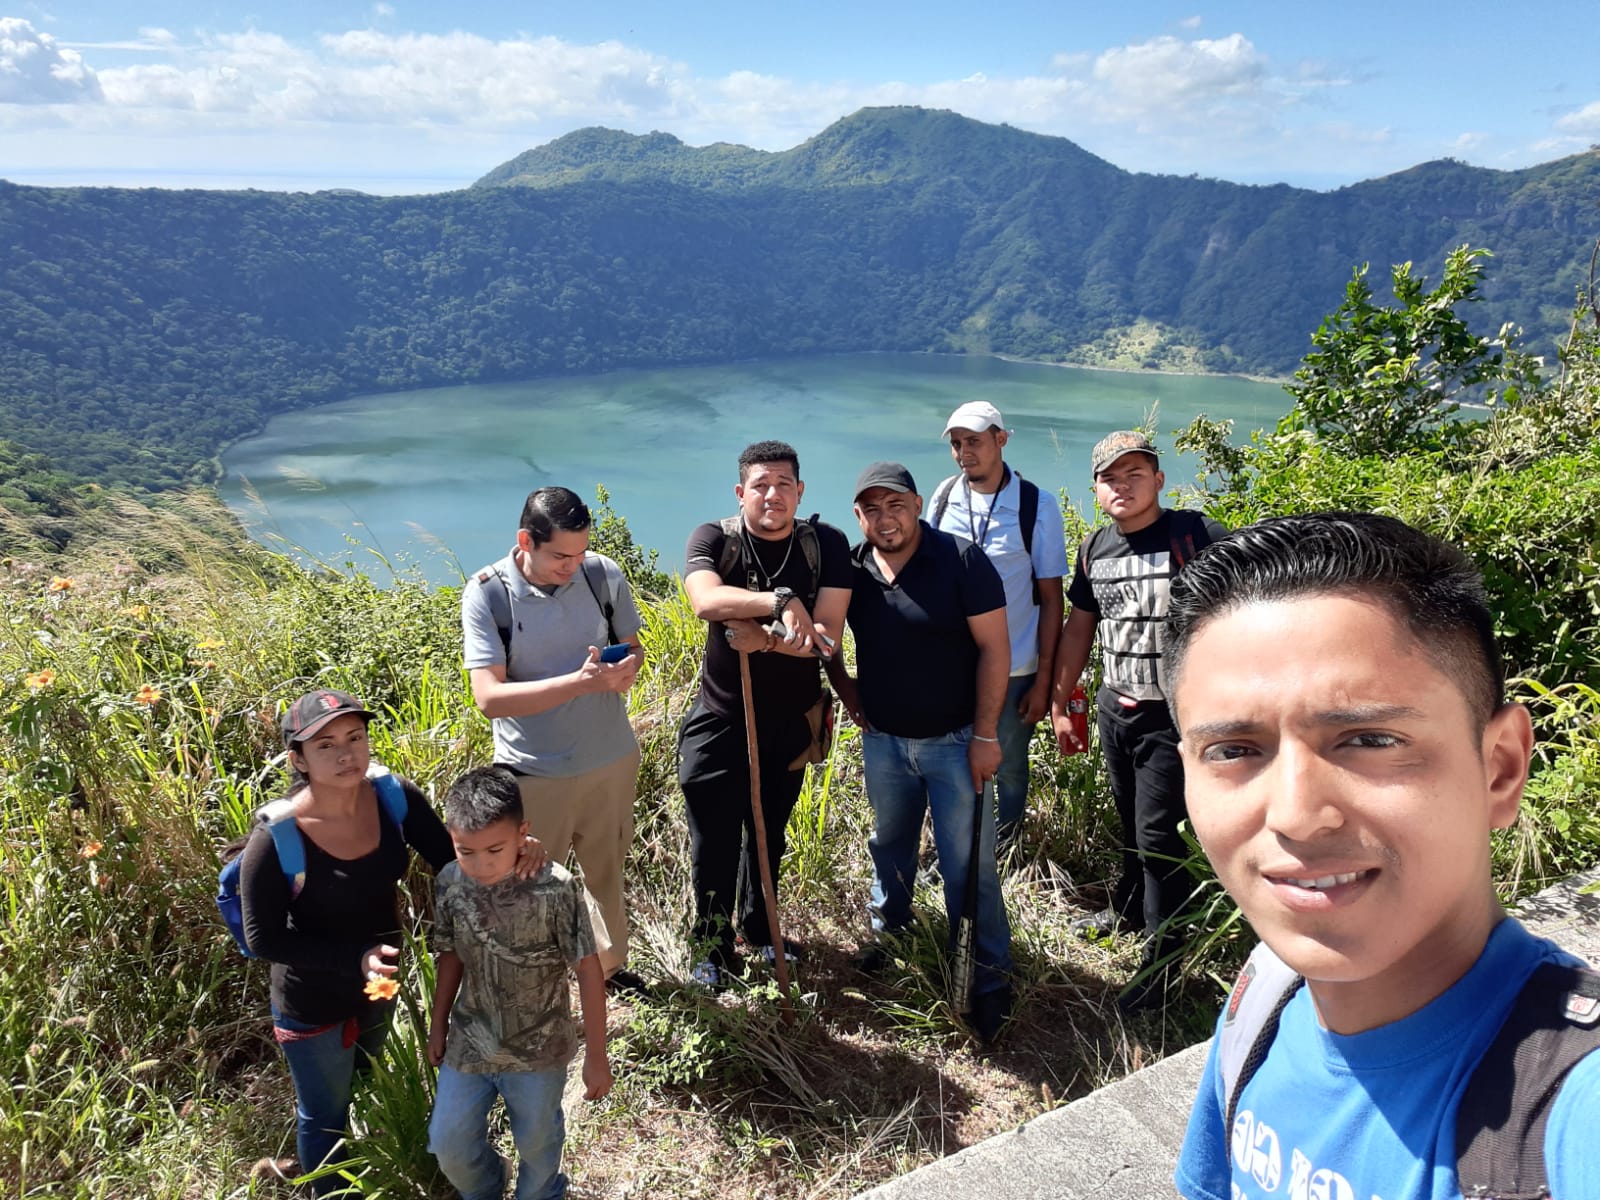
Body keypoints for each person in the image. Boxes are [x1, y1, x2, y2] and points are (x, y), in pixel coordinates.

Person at [1168, 511, 1600, 1200]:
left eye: (1369, 740)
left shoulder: (1568, 1111)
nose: (1296, 817)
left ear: (1501, 770)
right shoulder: (1264, 998)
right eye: (1234, 751)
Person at [240, 689, 542, 1192]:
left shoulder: (391, 796)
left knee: (361, 1083)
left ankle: (368, 1158)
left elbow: (452, 857)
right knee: (323, 1114)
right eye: (326, 745)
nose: (346, 754)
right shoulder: (277, 838)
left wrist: (511, 852)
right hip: (311, 1003)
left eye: (355, 737)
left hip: (379, 984)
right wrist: (351, 958)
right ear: (298, 758)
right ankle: (330, 1188)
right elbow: (261, 938)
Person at [830, 462, 1014, 1042]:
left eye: (896, 505)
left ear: (916, 504)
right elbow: (825, 637)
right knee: (890, 843)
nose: (886, 519)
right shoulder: (853, 570)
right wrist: (848, 693)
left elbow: (996, 651)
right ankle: (892, 934)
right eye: (872, 509)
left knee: (969, 866)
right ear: (858, 517)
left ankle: (987, 979)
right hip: (883, 741)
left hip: (957, 742)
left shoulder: (960, 561)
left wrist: (986, 735)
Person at [1049, 430, 1226, 1010]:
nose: (1122, 486)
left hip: (1175, 717)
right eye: (1110, 478)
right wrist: (1063, 700)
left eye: (1135, 474)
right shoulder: (1096, 548)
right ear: (1096, 489)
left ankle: (1164, 962)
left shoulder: (1196, 536)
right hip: (1115, 705)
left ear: (1158, 480)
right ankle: (1126, 914)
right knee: (1131, 822)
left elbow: (1247, 604)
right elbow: (1081, 626)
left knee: (1158, 838)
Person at [679, 440, 852, 988]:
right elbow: (705, 600)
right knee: (713, 836)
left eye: (783, 484)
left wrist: (767, 641)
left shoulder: (826, 545)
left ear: (800, 491)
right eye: (761, 485)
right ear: (741, 493)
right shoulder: (714, 538)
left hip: (791, 721)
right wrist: (780, 602)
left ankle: (760, 927)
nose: (772, 495)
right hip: (721, 715)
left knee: (768, 831)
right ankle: (711, 945)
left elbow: (826, 641)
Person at [462, 486, 648, 996]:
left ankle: (609, 972)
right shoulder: (488, 593)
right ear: (526, 540)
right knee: (531, 883)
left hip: (609, 757)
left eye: (580, 552)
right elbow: (490, 698)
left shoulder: (601, 574)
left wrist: (628, 668)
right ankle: (537, 985)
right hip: (535, 770)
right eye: (560, 555)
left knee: (605, 873)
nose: (572, 565)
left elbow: (633, 648)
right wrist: (580, 683)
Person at [427, 767, 612, 1200]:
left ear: (523, 833)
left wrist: (597, 1055)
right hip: (471, 1040)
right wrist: (439, 1024)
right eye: (465, 851)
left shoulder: (554, 887)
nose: (482, 864)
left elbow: (587, 969)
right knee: (448, 1142)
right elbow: (450, 955)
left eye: (496, 849)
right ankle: (489, 1186)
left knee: (539, 1146)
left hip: (539, 1050)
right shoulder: (451, 883)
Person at [931, 401, 1068, 847]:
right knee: (949, 761)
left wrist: (1045, 679)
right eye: (956, 444)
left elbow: (1051, 599)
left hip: (1015, 667)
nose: (964, 452)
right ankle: (957, 848)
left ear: (1001, 440)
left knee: (1008, 763)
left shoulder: (1035, 505)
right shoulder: (944, 496)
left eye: (974, 441)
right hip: (952, 666)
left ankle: (1004, 849)